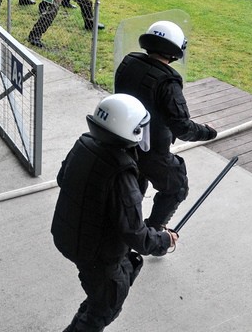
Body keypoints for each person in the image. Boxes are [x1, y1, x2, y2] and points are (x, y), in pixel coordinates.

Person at [51, 93, 177, 331]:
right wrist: (164, 239)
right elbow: (135, 234)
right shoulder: (121, 173)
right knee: (106, 306)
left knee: (103, 291)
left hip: (71, 238)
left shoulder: (84, 142)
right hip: (95, 254)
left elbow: (62, 178)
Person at [114, 21, 218, 229]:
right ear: (174, 50)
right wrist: (208, 132)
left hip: (122, 140)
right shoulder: (167, 81)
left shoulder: (129, 62)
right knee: (177, 187)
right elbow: (183, 128)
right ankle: (153, 233)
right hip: (151, 151)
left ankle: (127, 228)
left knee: (135, 185)